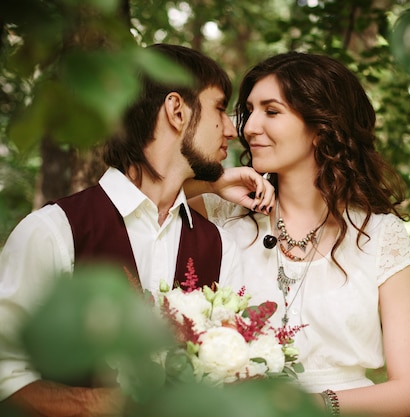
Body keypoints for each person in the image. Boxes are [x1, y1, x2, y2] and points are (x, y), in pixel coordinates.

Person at [0, 43, 273, 417]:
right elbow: (6, 372)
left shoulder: (219, 246)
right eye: (219, 108)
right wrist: (91, 404)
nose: (231, 129)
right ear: (177, 111)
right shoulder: (52, 232)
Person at [188, 51, 410, 417]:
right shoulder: (222, 213)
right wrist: (214, 182)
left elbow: (408, 393)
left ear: (322, 127)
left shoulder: (380, 234)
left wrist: (305, 406)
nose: (248, 127)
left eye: (271, 111)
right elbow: (141, 200)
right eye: (249, 110)